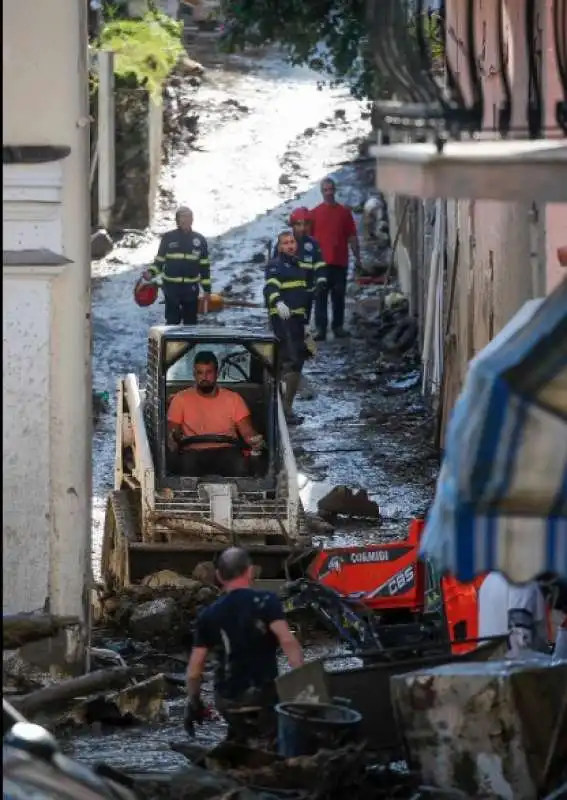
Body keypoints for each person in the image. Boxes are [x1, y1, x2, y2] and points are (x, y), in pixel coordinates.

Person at [184, 547, 304, 747]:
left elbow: (195, 670)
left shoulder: (209, 614)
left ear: (219, 576)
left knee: (239, 732)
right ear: (250, 572)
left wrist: (193, 702)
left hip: (227, 700)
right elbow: (288, 642)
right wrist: (302, 686)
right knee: (271, 735)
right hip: (262, 695)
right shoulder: (267, 602)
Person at [167, 351, 263, 477]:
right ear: (194, 374)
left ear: (216, 374)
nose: (204, 377)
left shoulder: (234, 399)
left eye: (209, 372)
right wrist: (174, 437)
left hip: (227, 451)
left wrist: (255, 441)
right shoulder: (180, 399)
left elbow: (247, 432)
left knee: (240, 466)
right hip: (193, 452)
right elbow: (173, 432)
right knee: (186, 468)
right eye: (200, 373)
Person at [264, 230, 310, 426]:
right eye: (286, 243)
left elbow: (303, 295)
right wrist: (278, 302)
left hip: (298, 319)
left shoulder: (298, 265)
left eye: (292, 242)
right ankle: (285, 409)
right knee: (290, 360)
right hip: (283, 318)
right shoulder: (275, 265)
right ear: (280, 246)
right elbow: (270, 288)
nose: (290, 245)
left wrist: (306, 322)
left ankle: (285, 404)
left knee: (297, 360)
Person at [310, 177, 362, 341]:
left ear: (335, 190)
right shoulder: (314, 214)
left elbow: (352, 236)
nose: (329, 193)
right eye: (326, 190)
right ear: (322, 192)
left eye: (331, 189)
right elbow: (308, 241)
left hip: (340, 262)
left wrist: (358, 257)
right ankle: (321, 329)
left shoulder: (344, 213)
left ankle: (338, 327)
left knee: (338, 296)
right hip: (321, 265)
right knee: (320, 298)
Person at [146, 206, 212, 325]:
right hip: (171, 288)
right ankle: (172, 343)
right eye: (183, 217)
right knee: (172, 321)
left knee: (191, 323)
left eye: (189, 217)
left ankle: (189, 343)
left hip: (191, 289)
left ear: (192, 220)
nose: (186, 220)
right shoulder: (168, 237)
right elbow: (160, 260)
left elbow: (204, 266)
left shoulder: (200, 240)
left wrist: (207, 290)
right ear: (177, 220)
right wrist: (150, 273)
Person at [272, 208, 326, 326]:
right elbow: (273, 272)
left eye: (306, 224)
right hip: (287, 295)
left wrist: (321, 281)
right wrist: (277, 299)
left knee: (302, 326)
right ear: (292, 225)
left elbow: (319, 264)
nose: (302, 228)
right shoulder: (282, 244)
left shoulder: (313, 244)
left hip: (306, 294)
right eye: (299, 224)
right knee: (285, 327)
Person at [478, 571, 549, 653]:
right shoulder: (523, 583)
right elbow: (520, 638)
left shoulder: (488, 581)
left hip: (487, 661)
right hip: (516, 662)